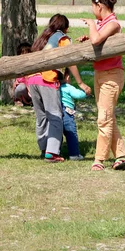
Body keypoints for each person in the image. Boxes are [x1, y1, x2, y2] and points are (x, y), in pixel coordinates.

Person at [80, 0, 125, 171]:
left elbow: (97, 40)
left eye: (93, 7)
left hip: (112, 75)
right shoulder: (103, 24)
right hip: (100, 74)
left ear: (100, 6)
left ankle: (99, 160)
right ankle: (122, 155)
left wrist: (92, 25)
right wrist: (89, 36)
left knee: (104, 118)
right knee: (108, 117)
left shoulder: (113, 24)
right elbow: (96, 41)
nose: (93, 11)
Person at [28, 14, 92, 163]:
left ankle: (44, 148)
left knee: (42, 117)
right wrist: (80, 83)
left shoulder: (42, 39)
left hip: (32, 79)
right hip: (46, 79)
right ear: (66, 28)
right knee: (55, 116)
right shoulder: (61, 38)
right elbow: (71, 60)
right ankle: (52, 153)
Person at [59, 68, 88, 160]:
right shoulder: (68, 87)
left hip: (57, 111)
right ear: (67, 77)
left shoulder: (55, 87)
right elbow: (78, 95)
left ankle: (56, 153)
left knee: (57, 134)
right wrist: (85, 92)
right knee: (71, 133)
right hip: (67, 113)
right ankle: (74, 154)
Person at [13, 42, 33, 106]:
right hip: (24, 92)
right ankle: (18, 100)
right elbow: (19, 81)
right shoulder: (18, 67)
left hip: (32, 90)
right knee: (21, 87)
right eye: (23, 54)